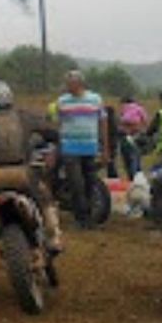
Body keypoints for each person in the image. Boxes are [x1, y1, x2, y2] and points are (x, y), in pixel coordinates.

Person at [0, 81, 62, 295]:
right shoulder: (24, 117)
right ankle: (53, 237)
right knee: (45, 198)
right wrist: (52, 149)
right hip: (23, 175)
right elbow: (52, 133)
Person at [47, 70, 108, 229]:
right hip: (69, 147)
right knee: (76, 183)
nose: (68, 86)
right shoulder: (62, 101)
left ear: (79, 84)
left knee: (90, 182)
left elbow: (103, 123)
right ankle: (81, 218)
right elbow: (58, 126)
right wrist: (56, 147)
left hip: (90, 147)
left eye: (70, 83)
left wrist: (105, 148)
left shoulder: (95, 99)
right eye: (67, 83)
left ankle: (88, 216)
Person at [117, 94, 149, 179]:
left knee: (127, 157)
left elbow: (120, 119)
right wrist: (143, 131)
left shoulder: (124, 107)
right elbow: (145, 120)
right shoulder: (139, 107)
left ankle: (131, 176)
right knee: (135, 156)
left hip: (125, 132)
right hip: (136, 131)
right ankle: (136, 176)